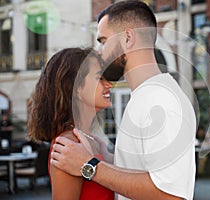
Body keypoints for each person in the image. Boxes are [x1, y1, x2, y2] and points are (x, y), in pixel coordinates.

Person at [51, 1, 196, 199]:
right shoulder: (145, 97)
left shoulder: (161, 100)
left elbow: (170, 195)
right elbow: (145, 170)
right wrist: (110, 158)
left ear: (128, 38)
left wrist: (89, 166)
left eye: (103, 41)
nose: (100, 52)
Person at [27, 47, 114, 200]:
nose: (109, 85)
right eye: (100, 78)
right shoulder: (67, 145)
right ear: (76, 88)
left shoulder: (94, 141)